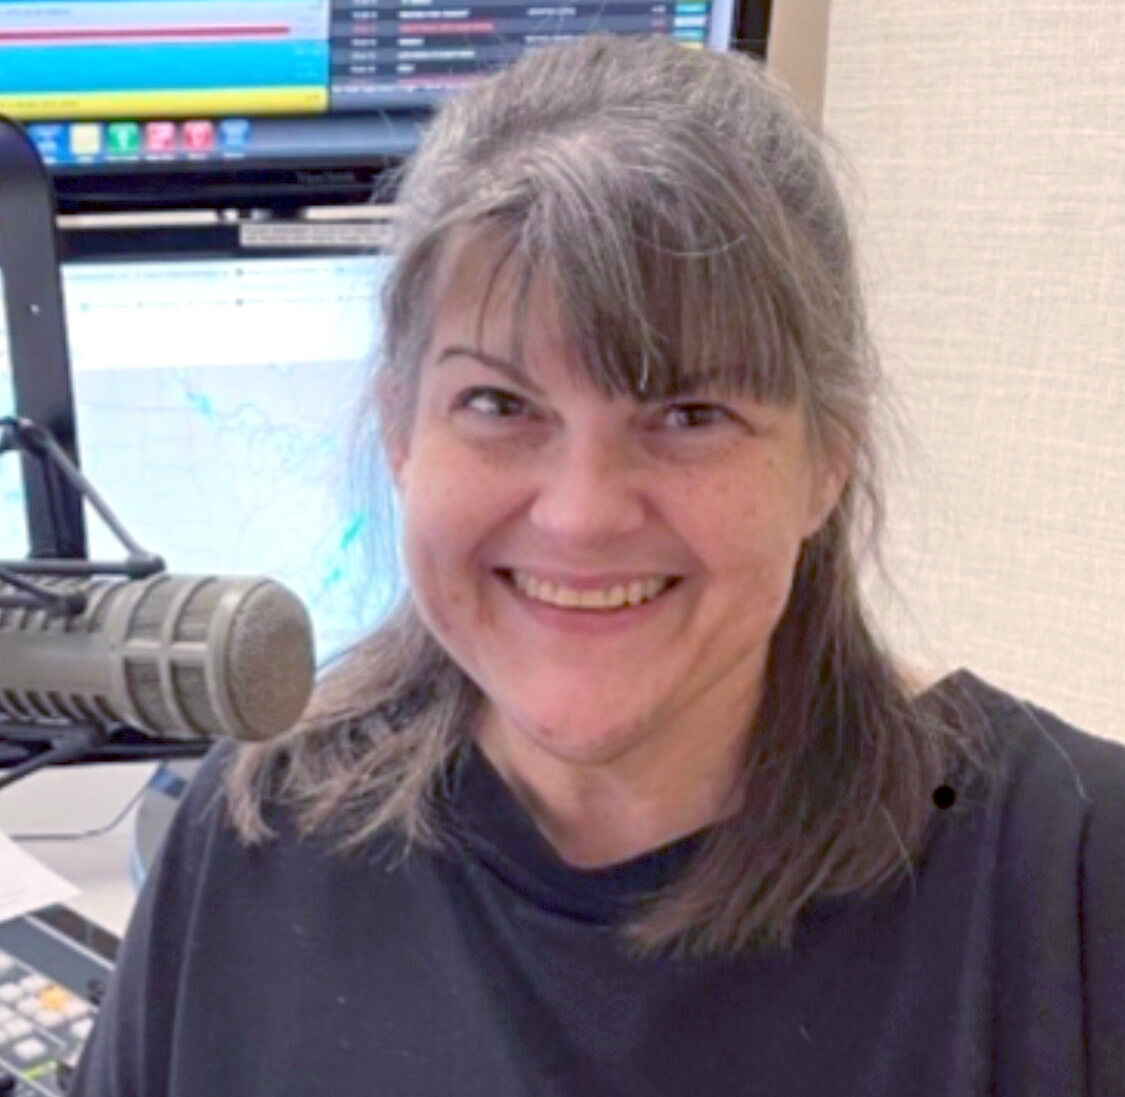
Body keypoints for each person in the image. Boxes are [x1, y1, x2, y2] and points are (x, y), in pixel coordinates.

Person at [70, 34, 1123, 1097]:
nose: (578, 516)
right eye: (498, 403)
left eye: (690, 413)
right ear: (399, 430)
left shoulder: (1071, 881)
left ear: (827, 460)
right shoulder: (253, 833)